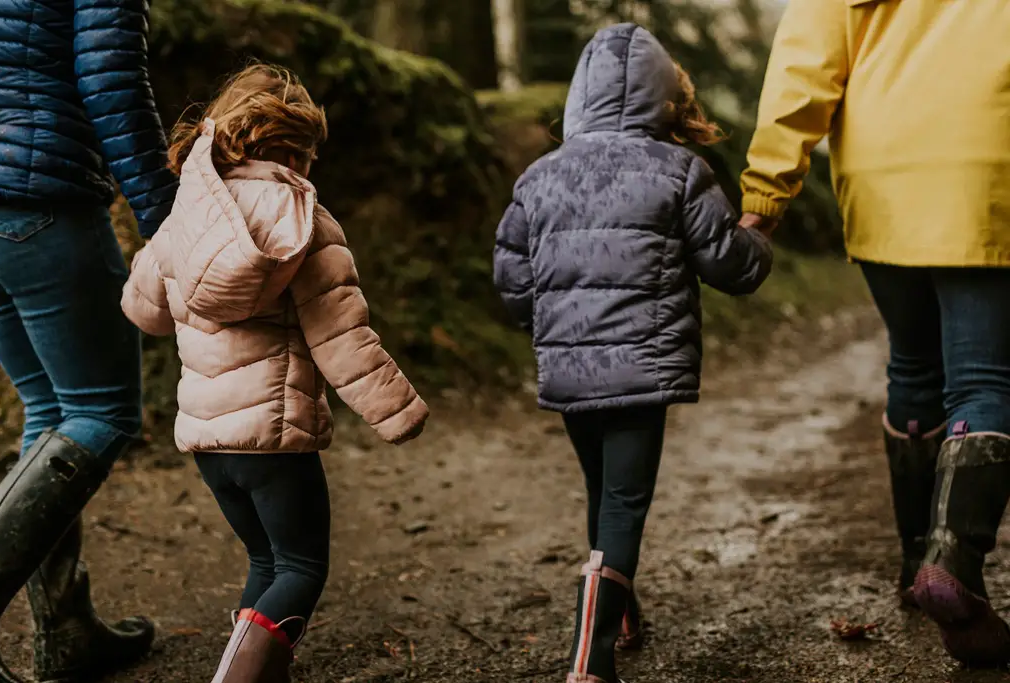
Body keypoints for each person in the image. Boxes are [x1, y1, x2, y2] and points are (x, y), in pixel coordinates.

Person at [120, 63, 430, 681]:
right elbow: (342, 335)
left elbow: (144, 311)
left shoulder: (187, 216)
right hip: (273, 437)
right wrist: (399, 411)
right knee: (300, 569)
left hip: (208, 441)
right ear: (294, 148)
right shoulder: (306, 223)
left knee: (266, 562)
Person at [494, 23, 773, 683]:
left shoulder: (539, 179)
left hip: (569, 370)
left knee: (602, 488)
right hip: (641, 371)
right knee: (624, 498)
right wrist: (756, 237)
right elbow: (729, 264)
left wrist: (552, 321)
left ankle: (619, 616)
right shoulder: (679, 170)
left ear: (577, 97)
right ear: (663, 100)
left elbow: (511, 286)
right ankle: (588, 662)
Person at [740, 0, 1010, 667]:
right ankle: (952, 562)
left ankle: (916, 560)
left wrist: (766, 192)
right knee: (983, 379)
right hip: (986, 161)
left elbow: (806, 59)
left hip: (883, 173)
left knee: (914, 367)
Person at [0, 1, 178, 681]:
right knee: (102, 411)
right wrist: (171, 220)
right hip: (40, 201)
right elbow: (110, 78)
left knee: (50, 412)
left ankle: (66, 631)